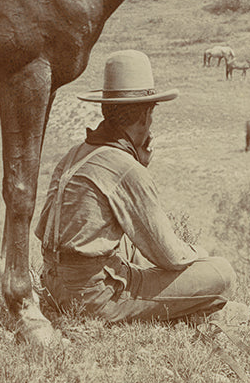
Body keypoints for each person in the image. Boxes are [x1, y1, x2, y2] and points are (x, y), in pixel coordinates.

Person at [35, 49, 235, 323]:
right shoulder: (126, 168)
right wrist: (199, 254)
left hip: (53, 285)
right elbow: (170, 257)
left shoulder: (75, 154)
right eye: (150, 115)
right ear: (144, 116)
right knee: (222, 273)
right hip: (94, 298)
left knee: (132, 250)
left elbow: (42, 230)